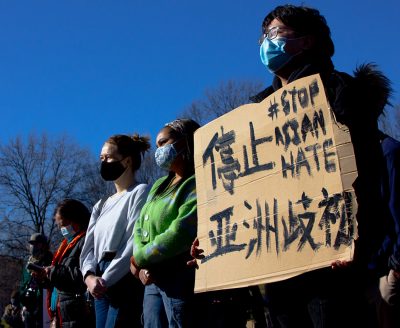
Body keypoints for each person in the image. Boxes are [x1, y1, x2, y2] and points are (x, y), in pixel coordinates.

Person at [250, 4, 392, 327]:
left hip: (331, 271)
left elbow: (368, 177)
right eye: (263, 37)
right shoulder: (256, 114)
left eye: (275, 34)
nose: (265, 43)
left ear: (307, 41)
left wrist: (354, 238)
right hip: (278, 269)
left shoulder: (342, 94)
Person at [130, 118, 200, 328]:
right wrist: (140, 265)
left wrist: (141, 257)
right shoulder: (159, 185)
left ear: (185, 142)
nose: (158, 150)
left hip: (178, 277)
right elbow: (140, 225)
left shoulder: (196, 181)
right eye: (157, 144)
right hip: (151, 281)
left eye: (164, 143)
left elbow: (180, 231)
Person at [80, 133, 150, 328]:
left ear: (127, 161)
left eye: (108, 157)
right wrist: (89, 276)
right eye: (101, 158)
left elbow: (132, 242)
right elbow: (88, 248)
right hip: (98, 283)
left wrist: (105, 280)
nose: (104, 162)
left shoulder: (140, 192)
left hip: (122, 278)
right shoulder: (100, 205)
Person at [36, 199, 94, 327]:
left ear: (75, 219)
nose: (61, 229)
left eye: (63, 224)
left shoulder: (86, 241)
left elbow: (84, 274)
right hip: (62, 314)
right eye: (59, 226)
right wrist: (45, 278)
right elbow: (61, 279)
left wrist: (53, 272)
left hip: (77, 314)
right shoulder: (65, 245)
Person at [19, 233, 52, 328]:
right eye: (31, 244)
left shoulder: (50, 262)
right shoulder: (28, 264)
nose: (33, 247)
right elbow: (23, 286)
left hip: (44, 308)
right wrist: (23, 306)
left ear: (43, 246)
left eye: (36, 244)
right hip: (28, 310)